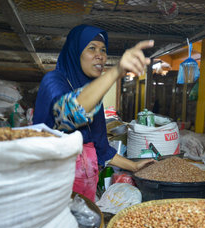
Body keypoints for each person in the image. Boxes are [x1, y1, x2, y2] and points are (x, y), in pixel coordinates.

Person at [33, 24, 155, 202]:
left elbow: (100, 148)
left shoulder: (93, 95)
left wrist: (134, 166)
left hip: (85, 193)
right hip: (53, 191)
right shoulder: (54, 81)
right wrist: (116, 71)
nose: (101, 55)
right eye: (92, 48)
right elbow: (69, 114)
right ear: (75, 52)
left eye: (103, 50)